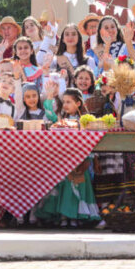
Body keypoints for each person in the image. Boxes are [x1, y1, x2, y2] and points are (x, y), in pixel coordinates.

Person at [36, 89, 100, 227]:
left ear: (78, 103)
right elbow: (50, 116)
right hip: (63, 162)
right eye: (64, 101)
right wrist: (49, 99)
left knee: (78, 184)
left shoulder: (85, 121)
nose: (65, 104)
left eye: (69, 102)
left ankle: (76, 216)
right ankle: (64, 216)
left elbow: (90, 142)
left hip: (80, 161)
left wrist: (89, 160)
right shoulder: (61, 120)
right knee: (63, 185)